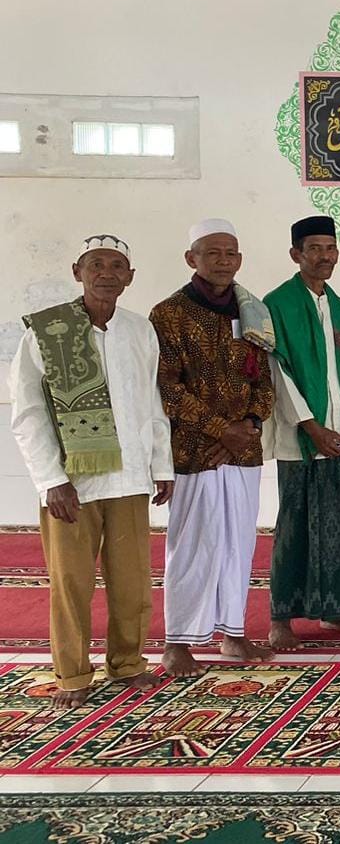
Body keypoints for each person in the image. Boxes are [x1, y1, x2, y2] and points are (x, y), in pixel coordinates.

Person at [11, 234, 171, 707]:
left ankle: (127, 663)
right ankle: (73, 673)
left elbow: (152, 402)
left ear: (130, 277)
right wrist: (51, 480)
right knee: (71, 584)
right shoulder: (46, 331)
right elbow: (27, 412)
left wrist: (161, 464)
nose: (106, 273)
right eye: (96, 264)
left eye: (117, 265)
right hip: (71, 484)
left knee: (133, 582)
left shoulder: (139, 330)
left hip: (129, 478)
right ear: (77, 271)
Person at [150, 218, 276, 677]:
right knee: (192, 546)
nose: (224, 261)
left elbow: (265, 380)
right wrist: (221, 429)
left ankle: (232, 634)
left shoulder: (253, 310)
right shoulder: (168, 314)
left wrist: (248, 424)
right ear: (192, 258)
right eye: (213, 253)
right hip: (194, 451)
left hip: (243, 450)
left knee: (238, 544)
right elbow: (167, 388)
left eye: (231, 253)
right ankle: (177, 642)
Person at [263, 215, 340, 650]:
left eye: (330, 248)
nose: (324, 256)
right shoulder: (277, 305)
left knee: (339, 524)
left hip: (339, 434)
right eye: (314, 249)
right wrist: (311, 426)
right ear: (296, 254)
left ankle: (336, 609)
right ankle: (281, 618)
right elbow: (278, 371)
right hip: (301, 439)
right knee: (295, 525)